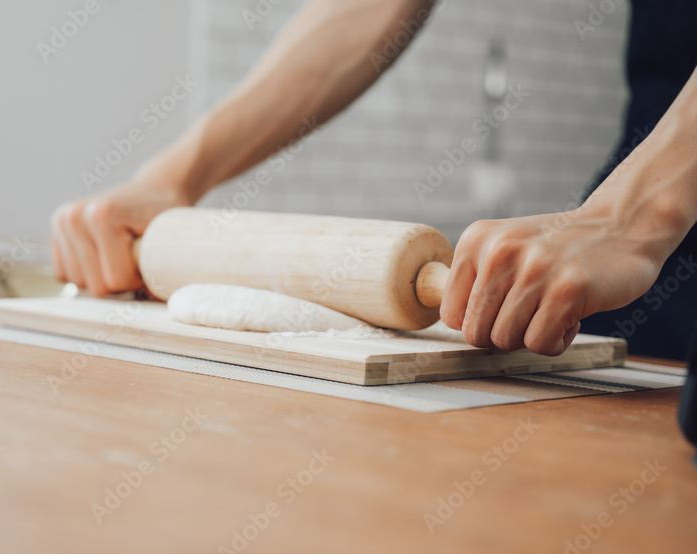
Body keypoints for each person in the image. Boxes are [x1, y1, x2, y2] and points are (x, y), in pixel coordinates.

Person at [50, 0, 697, 360]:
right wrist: (172, 179)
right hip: (627, 287)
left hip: (645, 229)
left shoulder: (631, 224)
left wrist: (635, 216)